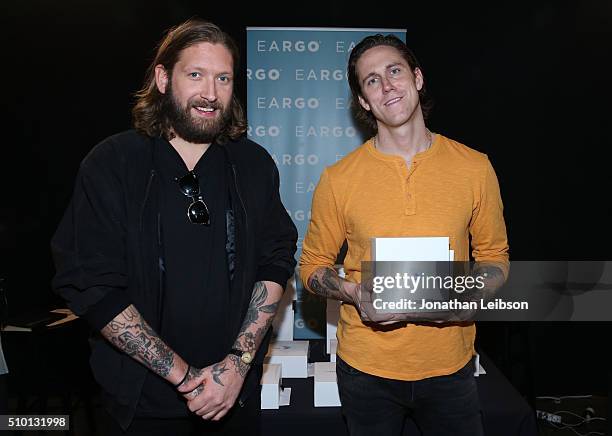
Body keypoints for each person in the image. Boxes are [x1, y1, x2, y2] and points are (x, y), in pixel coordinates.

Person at [52, 18, 297, 435]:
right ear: (163, 78)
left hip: (234, 399)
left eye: (223, 78)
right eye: (195, 74)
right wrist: (185, 378)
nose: (210, 93)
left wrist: (236, 367)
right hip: (140, 406)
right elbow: (92, 285)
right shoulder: (112, 163)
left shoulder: (254, 165)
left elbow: (275, 262)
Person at [299, 34, 509, 436]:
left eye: (394, 71)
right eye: (371, 80)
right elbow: (311, 267)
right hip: (366, 370)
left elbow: (495, 255)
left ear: (417, 77)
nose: (387, 85)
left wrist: (474, 293)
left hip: (451, 366)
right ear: (363, 101)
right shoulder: (338, 178)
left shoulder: (475, 167)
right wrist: (354, 293)